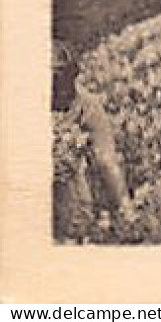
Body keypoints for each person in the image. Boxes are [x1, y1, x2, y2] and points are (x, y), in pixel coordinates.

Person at [52, 40, 130, 233]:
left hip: (67, 179)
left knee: (78, 205)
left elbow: (107, 161)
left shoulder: (88, 106)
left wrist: (126, 210)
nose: (58, 93)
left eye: (63, 83)